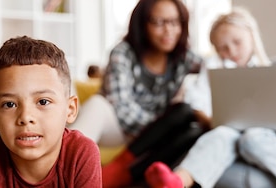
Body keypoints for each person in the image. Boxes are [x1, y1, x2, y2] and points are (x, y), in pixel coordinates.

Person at [143, 19, 276, 188]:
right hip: (234, 133)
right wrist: (212, 119)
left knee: (252, 137)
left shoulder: (275, 72)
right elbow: (196, 99)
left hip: (273, 138)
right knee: (223, 134)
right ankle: (177, 182)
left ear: (251, 36)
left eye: (237, 43)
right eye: (223, 48)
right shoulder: (217, 69)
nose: (231, 51)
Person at [83, 0, 205, 186]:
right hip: (121, 127)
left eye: (175, 22)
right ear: (142, 24)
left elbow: (211, 71)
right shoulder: (122, 53)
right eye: (158, 22)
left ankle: (129, 176)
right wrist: (159, 128)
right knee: (97, 105)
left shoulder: (185, 58)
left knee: (190, 119)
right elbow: (121, 107)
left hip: (158, 134)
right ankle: (63, 170)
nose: (168, 31)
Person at [0, 36, 102, 187]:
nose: (25, 117)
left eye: (43, 102)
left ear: (70, 109)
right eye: (9, 104)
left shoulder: (81, 153)